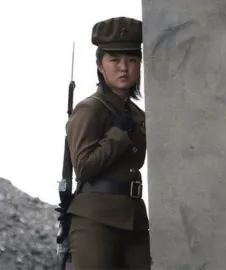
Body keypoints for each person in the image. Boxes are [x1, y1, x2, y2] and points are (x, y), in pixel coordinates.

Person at [65, 16, 151, 270]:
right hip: (95, 222)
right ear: (100, 66)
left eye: (132, 60)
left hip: (134, 220)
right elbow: (83, 167)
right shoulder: (89, 109)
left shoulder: (138, 115)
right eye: (114, 60)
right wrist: (118, 135)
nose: (124, 67)